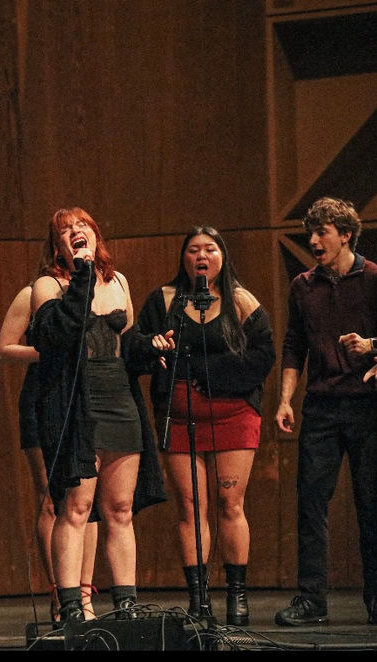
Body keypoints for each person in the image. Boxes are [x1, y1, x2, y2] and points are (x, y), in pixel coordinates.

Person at [131, 227, 275, 626]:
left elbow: (264, 355)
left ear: (222, 257)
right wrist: (153, 347)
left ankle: (237, 596)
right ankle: (199, 599)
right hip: (179, 418)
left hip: (233, 415)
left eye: (210, 249)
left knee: (230, 504)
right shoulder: (164, 300)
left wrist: (209, 371)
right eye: (193, 249)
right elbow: (136, 345)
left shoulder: (241, 300)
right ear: (184, 257)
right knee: (191, 509)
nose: (202, 255)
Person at [30, 207, 165, 624]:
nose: (76, 232)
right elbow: (59, 331)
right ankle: (71, 606)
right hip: (76, 401)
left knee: (119, 508)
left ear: (95, 233)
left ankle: (126, 605)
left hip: (119, 399)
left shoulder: (119, 280)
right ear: (57, 245)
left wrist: (153, 344)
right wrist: (83, 272)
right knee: (76, 505)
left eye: (82, 226)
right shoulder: (48, 286)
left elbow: (129, 340)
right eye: (66, 230)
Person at [273, 196, 377, 627]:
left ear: (346, 234)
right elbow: (294, 346)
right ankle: (312, 599)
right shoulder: (303, 286)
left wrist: (373, 348)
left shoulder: (372, 278)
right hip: (321, 406)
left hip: (368, 406)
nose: (314, 241)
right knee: (311, 502)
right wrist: (284, 399)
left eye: (323, 233)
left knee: (371, 503)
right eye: (310, 234)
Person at [0, 282, 98, 622]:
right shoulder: (34, 293)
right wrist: (50, 352)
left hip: (85, 396)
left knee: (86, 501)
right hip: (44, 397)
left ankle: (84, 596)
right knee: (53, 499)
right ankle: (60, 594)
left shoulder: (97, 289)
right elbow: (4, 348)